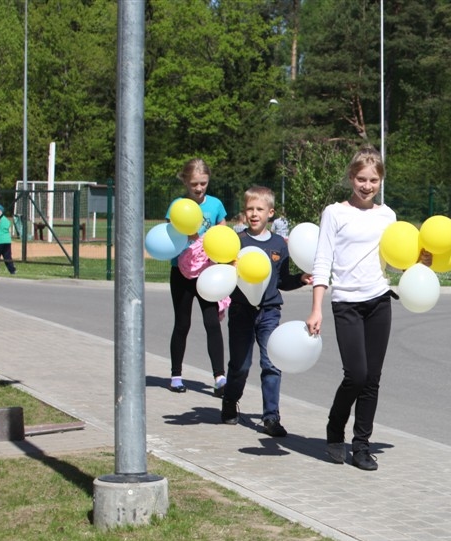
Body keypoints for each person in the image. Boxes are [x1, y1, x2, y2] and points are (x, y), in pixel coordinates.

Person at [305, 146, 430, 471]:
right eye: (361, 179)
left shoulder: (387, 216)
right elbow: (323, 260)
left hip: (378, 301)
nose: (366, 185)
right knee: (356, 375)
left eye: (373, 180)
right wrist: (316, 308)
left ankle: (361, 446)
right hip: (346, 303)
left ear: (381, 181)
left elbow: (396, 258)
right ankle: (335, 429)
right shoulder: (334, 213)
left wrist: (418, 263)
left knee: (372, 378)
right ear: (351, 178)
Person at [220, 186, 310, 437]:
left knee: (272, 363)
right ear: (244, 212)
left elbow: (281, 281)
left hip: (269, 311)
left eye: (260, 209)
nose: (254, 213)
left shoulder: (279, 244)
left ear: (270, 213)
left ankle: (271, 417)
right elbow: (225, 276)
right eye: (250, 209)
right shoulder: (237, 242)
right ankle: (230, 401)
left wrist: (300, 278)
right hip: (241, 310)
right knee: (241, 365)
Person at [166, 158, 229, 395]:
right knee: (182, 323)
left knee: (212, 323)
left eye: (203, 183)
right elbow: (169, 231)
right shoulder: (178, 204)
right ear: (185, 181)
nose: (199, 188)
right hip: (181, 272)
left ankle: (220, 377)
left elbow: (223, 231)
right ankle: (176, 374)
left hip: (208, 273)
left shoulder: (215, 205)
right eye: (194, 184)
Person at [0, 204, 17, 275]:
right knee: (7, 256)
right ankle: (12, 270)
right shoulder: (7, 220)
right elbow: (9, 230)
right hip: (7, 240)